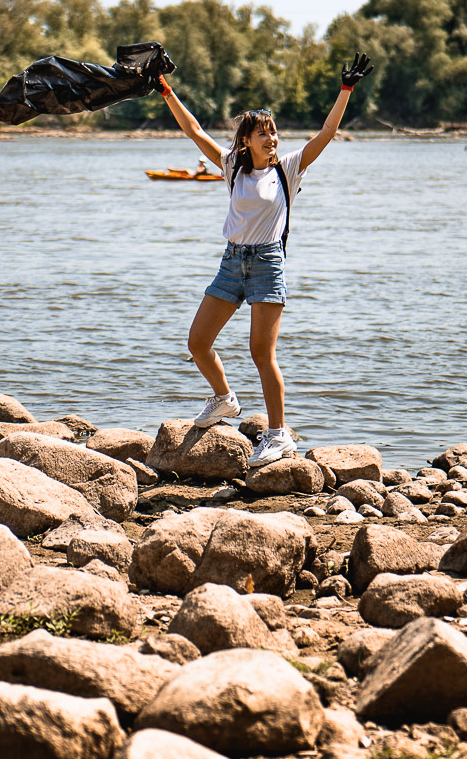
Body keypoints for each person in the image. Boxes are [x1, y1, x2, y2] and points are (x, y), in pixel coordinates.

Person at [158, 52, 374, 468]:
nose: (272, 140)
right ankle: (224, 400)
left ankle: (278, 436)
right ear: (246, 141)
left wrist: (345, 89)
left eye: (274, 133)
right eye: (263, 135)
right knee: (198, 343)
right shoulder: (231, 167)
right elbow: (193, 129)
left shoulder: (288, 169)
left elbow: (327, 132)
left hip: (267, 264)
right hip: (231, 263)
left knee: (262, 353)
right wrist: (165, 89)